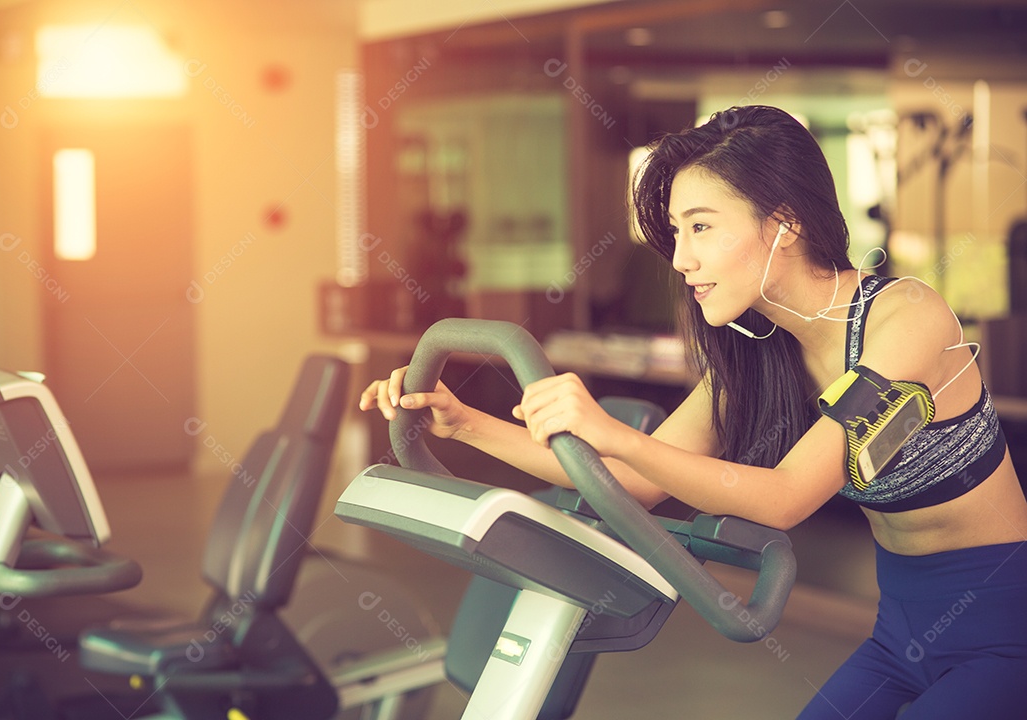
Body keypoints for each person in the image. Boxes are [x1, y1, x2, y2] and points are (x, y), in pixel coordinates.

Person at [358, 105, 1027, 718]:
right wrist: (464, 423)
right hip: (900, 626)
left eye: (702, 227)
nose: (682, 259)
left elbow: (788, 496)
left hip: (1004, 628)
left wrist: (615, 431)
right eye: (677, 232)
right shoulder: (764, 352)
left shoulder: (905, 320)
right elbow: (636, 482)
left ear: (785, 223)